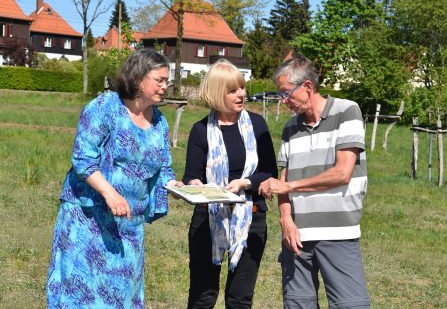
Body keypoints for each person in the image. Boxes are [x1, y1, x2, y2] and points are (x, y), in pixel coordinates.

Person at [46, 49, 177, 308]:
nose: (165, 86)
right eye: (159, 80)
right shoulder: (105, 107)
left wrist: (181, 187)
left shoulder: (159, 122)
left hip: (128, 225)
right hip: (88, 219)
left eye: (167, 80)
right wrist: (110, 193)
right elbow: (83, 159)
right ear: (139, 78)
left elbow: (164, 169)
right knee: (81, 294)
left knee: (122, 295)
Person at [259, 55, 371, 309]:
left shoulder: (346, 111)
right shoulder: (290, 128)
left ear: (308, 87)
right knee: (298, 304)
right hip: (297, 237)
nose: (283, 101)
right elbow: (283, 179)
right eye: (280, 94)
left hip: (338, 233)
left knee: (351, 305)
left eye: (286, 93)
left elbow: (342, 173)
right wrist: (286, 221)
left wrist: (288, 187)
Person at [182, 59, 278, 308]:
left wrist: (244, 182)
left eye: (242, 88)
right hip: (208, 219)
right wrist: (194, 184)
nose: (242, 94)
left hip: (251, 218)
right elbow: (191, 175)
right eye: (233, 90)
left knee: (240, 298)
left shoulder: (257, 125)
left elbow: (269, 172)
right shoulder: (200, 130)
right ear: (216, 93)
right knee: (202, 296)